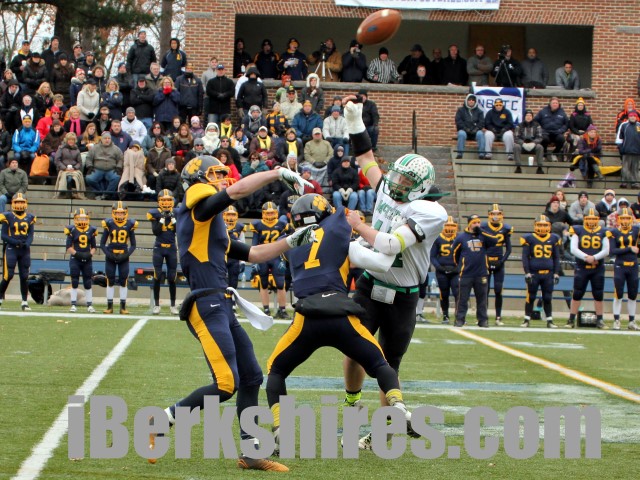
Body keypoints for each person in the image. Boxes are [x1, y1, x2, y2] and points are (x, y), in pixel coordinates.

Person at [147, 154, 317, 472]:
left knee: (252, 376)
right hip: (206, 302)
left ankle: (251, 453)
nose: (222, 179)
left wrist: (291, 241)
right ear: (198, 179)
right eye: (215, 174)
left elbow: (254, 253)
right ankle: (163, 420)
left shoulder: (211, 227)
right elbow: (236, 191)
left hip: (222, 302)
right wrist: (276, 173)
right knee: (226, 384)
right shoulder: (197, 208)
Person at [266, 194, 417, 452]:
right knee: (381, 363)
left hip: (307, 317)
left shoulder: (290, 245)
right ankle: (398, 405)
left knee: (276, 369)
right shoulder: (339, 236)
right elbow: (379, 262)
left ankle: (281, 429)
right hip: (340, 315)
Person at [341, 97, 448, 447]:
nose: (396, 183)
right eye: (397, 176)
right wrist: (355, 122)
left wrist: (358, 227)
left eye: (405, 180)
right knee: (354, 348)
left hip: (403, 295)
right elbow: (366, 159)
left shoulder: (430, 212)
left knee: (389, 364)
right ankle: (352, 403)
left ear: (422, 186)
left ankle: (385, 426)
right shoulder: (388, 189)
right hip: (370, 285)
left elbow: (389, 245)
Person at [566, 208, 608, 329]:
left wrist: (594, 257)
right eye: (589, 218)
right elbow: (573, 249)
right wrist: (586, 258)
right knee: (577, 293)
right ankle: (571, 319)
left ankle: (600, 320)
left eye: (593, 219)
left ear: (598, 219)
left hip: (597, 268)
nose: (591, 221)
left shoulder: (603, 231)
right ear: (584, 219)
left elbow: (606, 250)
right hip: (582, 267)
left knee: (598, 294)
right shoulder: (578, 230)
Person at [250, 201, 293, 318]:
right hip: (262, 256)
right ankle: (266, 310)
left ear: (276, 213)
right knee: (263, 283)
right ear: (263, 213)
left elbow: (285, 243)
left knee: (281, 284)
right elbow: (254, 243)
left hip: (276, 256)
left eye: (272, 213)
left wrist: (284, 259)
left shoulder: (282, 224)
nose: (270, 215)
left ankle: (282, 310)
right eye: (267, 213)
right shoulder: (258, 225)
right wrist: (254, 260)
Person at [452, 215, 497, 327]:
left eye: (478, 222)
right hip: (466, 273)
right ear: (469, 224)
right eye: (474, 223)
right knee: (462, 299)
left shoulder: (483, 235)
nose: (477, 224)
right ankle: (460, 319)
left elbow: (494, 241)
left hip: (481, 273)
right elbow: (455, 253)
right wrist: (460, 266)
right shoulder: (461, 237)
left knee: (482, 299)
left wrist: (481, 231)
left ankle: (482, 320)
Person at [520, 215, 560, 328]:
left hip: (548, 273)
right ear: (535, 225)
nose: (542, 227)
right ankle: (526, 320)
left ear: (549, 226)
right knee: (531, 296)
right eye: (540, 225)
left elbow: (556, 257)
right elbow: (525, 257)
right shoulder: (529, 238)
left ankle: (549, 320)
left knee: (547, 297)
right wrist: (527, 272)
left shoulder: (554, 238)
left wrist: (556, 272)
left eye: (544, 225)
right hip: (534, 273)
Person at [606, 208, 640, 331]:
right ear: (618, 219)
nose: (625, 220)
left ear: (631, 219)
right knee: (618, 293)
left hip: (633, 265)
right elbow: (612, 251)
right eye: (623, 218)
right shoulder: (614, 232)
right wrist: (629, 248)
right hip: (620, 265)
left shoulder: (636, 230)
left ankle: (632, 321)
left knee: (633, 294)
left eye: (627, 218)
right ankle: (616, 320)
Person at [100, 201, 137, 314]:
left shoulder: (130, 224)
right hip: (111, 254)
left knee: (123, 280)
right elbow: (102, 243)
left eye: (121, 213)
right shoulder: (109, 224)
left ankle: (123, 307)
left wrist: (126, 255)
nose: (119, 215)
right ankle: (109, 306)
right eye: (117, 213)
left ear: (125, 213)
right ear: (113, 213)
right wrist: (108, 254)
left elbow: (133, 245)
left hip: (123, 255)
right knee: (110, 280)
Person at [0, 193, 35, 311]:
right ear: (13, 203)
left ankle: (24, 302)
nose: (19, 204)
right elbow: (3, 236)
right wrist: (16, 242)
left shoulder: (30, 217)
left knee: (24, 276)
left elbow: (31, 235)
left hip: (24, 250)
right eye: (17, 202)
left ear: (25, 203)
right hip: (11, 249)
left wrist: (27, 243)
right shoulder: (8, 216)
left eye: (21, 202)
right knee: (8, 275)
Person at [147, 190, 178, 315]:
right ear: (159, 201)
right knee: (157, 275)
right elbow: (156, 231)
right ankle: (156, 305)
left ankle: (173, 305)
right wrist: (163, 218)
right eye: (164, 200)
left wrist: (173, 218)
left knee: (172, 277)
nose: (166, 202)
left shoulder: (176, 212)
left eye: (168, 200)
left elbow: (178, 230)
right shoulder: (154, 213)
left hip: (171, 247)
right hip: (159, 247)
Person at [481, 204, 513, 326]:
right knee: (485, 290)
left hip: (499, 262)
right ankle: (484, 316)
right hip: (486, 262)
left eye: (498, 213)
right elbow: (482, 246)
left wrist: (501, 261)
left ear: (502, 215)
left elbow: (509, 249)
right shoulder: (484, 227)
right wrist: (485, 260)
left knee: (498, 290)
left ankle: (498, 317)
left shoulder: (505, 228)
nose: (495, 216)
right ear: (489, 215)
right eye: (493, 214)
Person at [65, 209, 97, 313]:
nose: (82, 220)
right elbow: (68, 247)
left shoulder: (91, 230)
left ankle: (90, 305)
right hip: (75, 259)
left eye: (84, 218)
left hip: (87, 259)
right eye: (80, 218)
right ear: (75, 219)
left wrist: (89, 254)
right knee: (74, 281)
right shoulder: (72, 230)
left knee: (88, 282)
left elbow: (94, 247)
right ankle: (73, 305)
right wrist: (77, 254)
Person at [430, 216, 459, 324]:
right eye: (448, 225)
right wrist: (440, 267)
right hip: (442, 271)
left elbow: (463, 255)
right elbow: (433, 256)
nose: (450, 228)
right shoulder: (438, 239)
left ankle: (458, 316)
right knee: (444, 293)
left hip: (455, 271)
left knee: (457, 293)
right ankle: (445, 316)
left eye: (452, 225)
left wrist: (458, 267)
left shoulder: (459, 238)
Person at [85, 131, 123, 200]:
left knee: (116, 177)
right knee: (89, 179)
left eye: (109, 138)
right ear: (101, 139)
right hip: (97, 169)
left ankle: (107, 194)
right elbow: (88, 158)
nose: (107, 140)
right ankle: (100, 193)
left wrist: (118, 167)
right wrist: (89, 166)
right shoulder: (95, 148)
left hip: (111, 170)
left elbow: (120, 159)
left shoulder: (116, 149)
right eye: (105, 138)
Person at [535, 97, 569, 162]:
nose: (555, 104)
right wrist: (540, 129)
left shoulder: (562, 113)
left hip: (557, 133)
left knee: (561, 139)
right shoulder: (543, 111)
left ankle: (555, 154)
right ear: (550, 104)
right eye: (553, 103)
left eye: (556, 103)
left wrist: (561, 130)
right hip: (545, 133)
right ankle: (544, 154)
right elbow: (535, 121)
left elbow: (566, 124)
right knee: (544, 139)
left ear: (558, 104)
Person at [223, 205, 246, 298]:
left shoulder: (239, 227)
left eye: (233, 215)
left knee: (233, 282)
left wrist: (243, 261)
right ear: (224, 215)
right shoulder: (219, 226)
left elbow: (242, 245)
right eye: (228, 214)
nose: (231, 217)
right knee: (221, 282)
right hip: (222, 257)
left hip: (234, 258)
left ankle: (231, 301)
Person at [514, 109, 544, 174]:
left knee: (540, 147)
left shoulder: (537, 125)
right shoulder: (519, 125)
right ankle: (518, 167)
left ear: (532, 117)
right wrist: (523, 143)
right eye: (527, 115)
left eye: (530, 115)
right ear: (524, 116)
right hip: (522, 145)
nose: (528, 117)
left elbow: (540, 137)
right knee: (516, 146)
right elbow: (516, 137)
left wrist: (534, 143)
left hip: (533, 145)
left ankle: (540, 167)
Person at [455, 93, 485, 159]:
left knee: (480, 134)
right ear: (466, 101)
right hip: (464, 130)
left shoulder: (480, 112)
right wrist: (465, 129)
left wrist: (476, 129)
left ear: (475, 101)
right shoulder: (460, 110)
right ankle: (460, 154)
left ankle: (481, 154)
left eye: (473, 100)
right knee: (461, 134)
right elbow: (458, 121)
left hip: (475, 131)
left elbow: (482, 122)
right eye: (469, 100)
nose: (471, 101)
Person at [616, 110, 640, 189]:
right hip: (626, 151)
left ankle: (635, 183)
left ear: (636, 117)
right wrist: (620, 147)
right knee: (625, 168)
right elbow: (619, 137)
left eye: (634, 116)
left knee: (635, 168)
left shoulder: (639, 125)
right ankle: (624, 183)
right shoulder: (624, 125)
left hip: (637, 151)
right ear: (628, 117)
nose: (633, 117)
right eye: (631, 116)